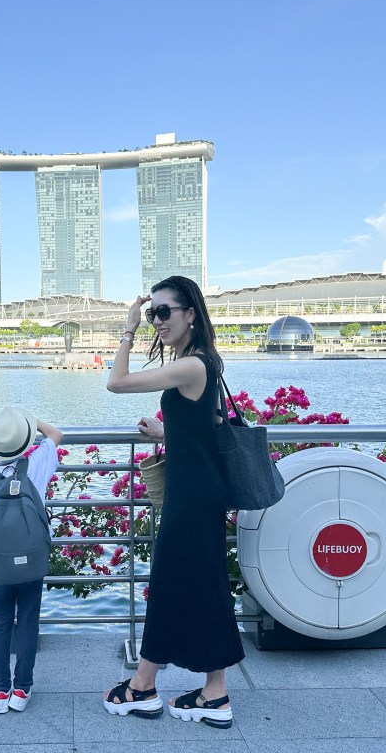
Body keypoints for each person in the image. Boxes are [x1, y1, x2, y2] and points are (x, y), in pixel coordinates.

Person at [102, 275, 242, 730]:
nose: (156, 320)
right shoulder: (200, 361)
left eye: (164, 312)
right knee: (198, 585)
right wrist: (169, 431)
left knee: (175, 585)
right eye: (151, 313)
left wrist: (128, 328)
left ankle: (145, 687)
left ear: (190, 314)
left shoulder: (192, 365)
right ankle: (210, 693)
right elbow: (204, 425)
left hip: (193, 497)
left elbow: (117, 382)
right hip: (198, 491)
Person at [0, 407, 63, 715]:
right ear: (26, 440)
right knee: (28, 621)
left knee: (1, 623)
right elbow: (56, 434)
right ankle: (22, 689)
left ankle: (0, 692)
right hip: (32, 562)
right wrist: (30, 418)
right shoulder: (37, 464)